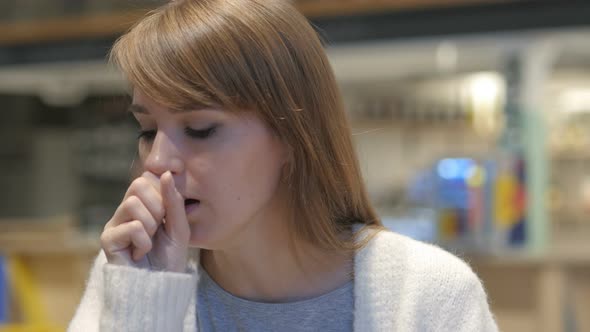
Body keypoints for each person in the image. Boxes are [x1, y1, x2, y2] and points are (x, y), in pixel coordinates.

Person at [69, 0, 498, 331]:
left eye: (200, 129)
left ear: (295, 134)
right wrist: (145, 305)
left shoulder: (428, 294)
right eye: (146, 131)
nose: (158, 161)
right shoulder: (130, 277)